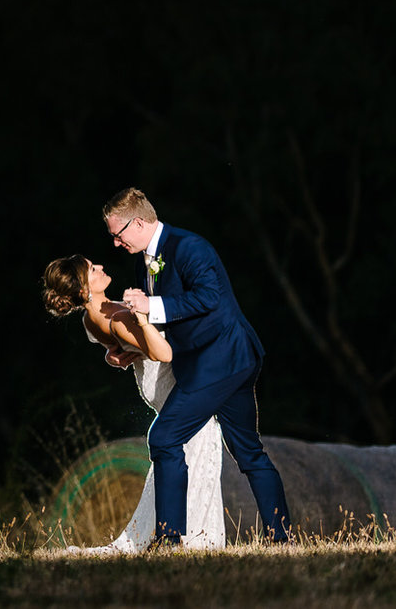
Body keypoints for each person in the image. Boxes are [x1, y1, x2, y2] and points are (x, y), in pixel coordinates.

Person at [103, 188, 291, 544]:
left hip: (219, 360)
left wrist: (151, 305)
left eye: (117, 234)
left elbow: (209, 297)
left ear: (138, 221)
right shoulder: (146, 256)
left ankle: (170, 539)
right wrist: (135, 350)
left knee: (164, 437)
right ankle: (281, 538)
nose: (115, 243)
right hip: (223, 361)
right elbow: (171, 321)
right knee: (249, 452)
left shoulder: (189, 247)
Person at [42, 253, 225, 549]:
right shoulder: (119, 318)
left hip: (155, 386)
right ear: (83, 290)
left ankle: (178, 532)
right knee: (198, 448)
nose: (100, 266)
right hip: (169, 383)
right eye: (92, 269)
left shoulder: (92, 319)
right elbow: (163, 353)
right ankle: (193, 538)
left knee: (190, 452)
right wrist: (141, 316)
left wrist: (112, 355)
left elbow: (113, 345)